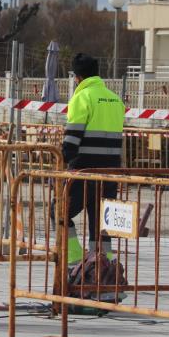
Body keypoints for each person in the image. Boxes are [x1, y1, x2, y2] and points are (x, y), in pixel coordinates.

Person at [61, 53, 125, 264]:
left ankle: (74, 260)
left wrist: (65, 160)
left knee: (59, 211)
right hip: (110, 172)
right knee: (101, 223)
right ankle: (102, 267)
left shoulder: (82, 97)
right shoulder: (115, 99)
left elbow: (72, 139)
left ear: (77, 77)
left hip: (83, 170)